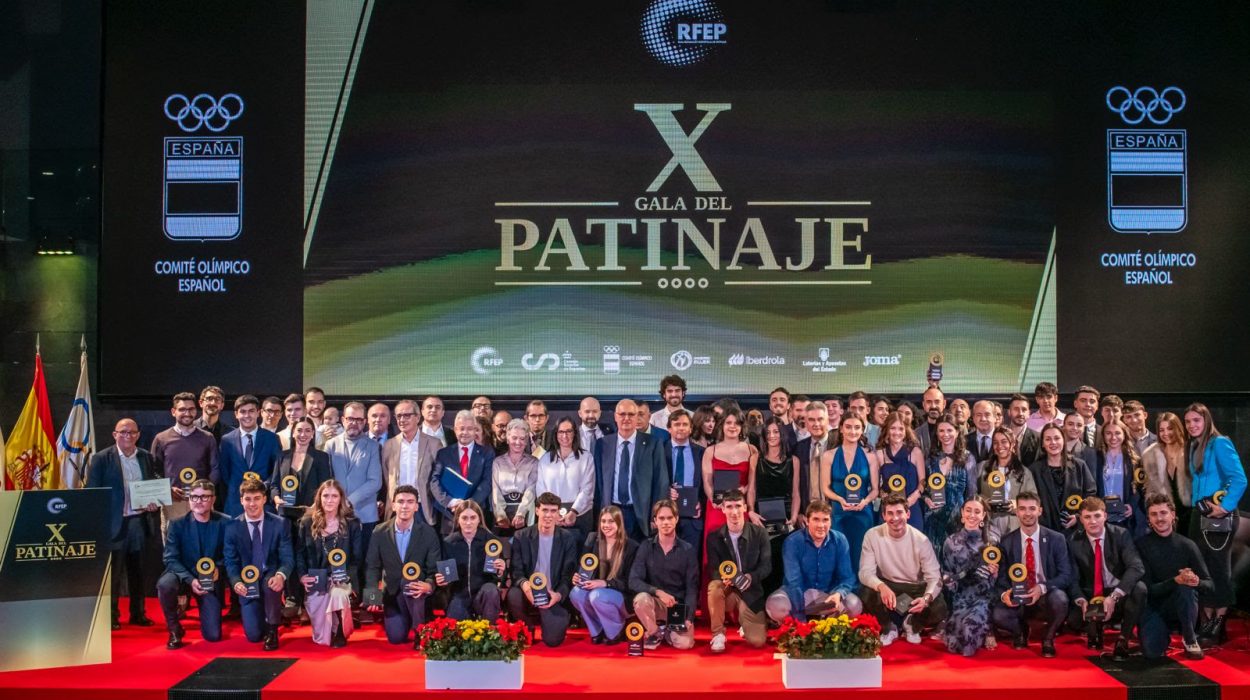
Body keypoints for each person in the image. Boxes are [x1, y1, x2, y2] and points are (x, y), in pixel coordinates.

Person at [1183, 403, 1246, 645]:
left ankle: (1218, 624)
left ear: (1206, 420)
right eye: (1188, 421)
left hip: (1219, 515)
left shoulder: (1220, 443)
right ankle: (1207, 621)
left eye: (1196, 420)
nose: (1192, 425)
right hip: (1199, 513)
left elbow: (1239, 479)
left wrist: (1225, 507)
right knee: (1203, 569)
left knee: (1219, 570)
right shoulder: (1194, 445)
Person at [87, 418, 160, 629]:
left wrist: (154, 502)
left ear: (138, 435)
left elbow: (152, 485)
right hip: (114, 524)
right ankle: (111, 617)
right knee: (114, 575)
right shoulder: (101, 458)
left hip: (139, 522)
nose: (128, 436)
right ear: (115, 434)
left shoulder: (146, 457)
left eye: (132, 432)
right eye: (123, 432)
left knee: (139, 571)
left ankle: (138, 614)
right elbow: (93, 493)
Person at [991, 491, 1072, 658]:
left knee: (1060, 599)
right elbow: (1002, 578)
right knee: (998, 614)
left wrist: (1042, 588)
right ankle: (1020, 631)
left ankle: (1048, 638)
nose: (1027, 513)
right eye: (1022, 509)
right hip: (1017, 596)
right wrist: (1004, 594)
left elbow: (1065, 575)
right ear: (1016, 512)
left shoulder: (1056, 539)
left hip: (1045, 595)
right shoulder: (1006, 541)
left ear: (1040, 511)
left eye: (1032, 508)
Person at [859, 494, 946, 645]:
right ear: (884, 516)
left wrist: (926, 599)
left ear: (908, 514)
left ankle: (912, 624)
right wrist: (881, 586)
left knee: (939, 606)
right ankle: (889, 628)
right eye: (890, 513)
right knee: (866, 592)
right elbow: (865, 572)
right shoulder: (872, 535)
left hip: (914, 589)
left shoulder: (921, 540)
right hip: (888, 587)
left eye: (899, 512)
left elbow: (934, 577)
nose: (895, 518)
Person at [1067, 496, 1146, 659]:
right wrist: (1081, 600)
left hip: (1117, 593)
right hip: (1091, 595)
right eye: (1087, 517)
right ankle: (1095, 627)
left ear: (1105, 516)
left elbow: (1136, 567)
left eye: (1097, 516)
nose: (1093, 521)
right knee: (1074, 621)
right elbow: (1072, 577)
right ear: (1081, 519)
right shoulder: (1073, 541)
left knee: (1140, 589)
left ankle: (1123, 637)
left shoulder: (1120, 534)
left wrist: (1114, 596)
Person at [365, 485, 442, 647]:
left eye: (410, 502)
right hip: (393, 596)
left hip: (418, 596)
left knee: (410, 580)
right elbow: (372, 566)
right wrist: (373, 595)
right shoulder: (379, 532)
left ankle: (420, 631)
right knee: (396, 638)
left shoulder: (428, 533)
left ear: (416, 507)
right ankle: (408, 622)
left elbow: (434, 568)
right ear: (393, 505)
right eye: (400, 502)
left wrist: (429, 585)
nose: (405, 506)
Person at [1136, 494, 1210, 660]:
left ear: (1173, 515)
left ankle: (1190, 638)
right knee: (1152, 654)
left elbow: (1209, 585)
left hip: (1183, 606)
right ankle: (1162, 634)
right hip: (1154, 607)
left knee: (1186, 588)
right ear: (1148, 519)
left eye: (1163, 513)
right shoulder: (1141, 545)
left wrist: (1195, 581)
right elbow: (1147, 590)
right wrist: (1175, 580)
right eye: (1154, 514)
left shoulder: (1188, 545)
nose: (1159, 518)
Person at [224, 478, 294, 650]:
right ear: (241, 500)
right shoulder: (232, 527)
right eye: (248, 499)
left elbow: (287, 557)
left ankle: (273, 628)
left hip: (269, 574)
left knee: (271, 585)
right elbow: (230, 561)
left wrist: (281, 575)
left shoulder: (280, 524)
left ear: (264, 499)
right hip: (247, 582)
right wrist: (236, 582)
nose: (252, 504)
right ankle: (269, 612)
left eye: (256, 498)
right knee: (254, 636)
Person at [157, 479, 228, 649]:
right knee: (165, 584)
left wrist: (219, 568)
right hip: (182, 575)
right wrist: (191, 580)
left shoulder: (225, 522)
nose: (198, 501)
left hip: (209, 579)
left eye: (204, 497)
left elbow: (231, 554)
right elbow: (170, 559)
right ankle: (174, 629)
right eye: (194, 497)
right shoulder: (177, 524)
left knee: (213, 635)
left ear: (213, 499)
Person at [765, 500, 861, 623]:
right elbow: (794, 582)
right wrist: (801, 621)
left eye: (825, 520)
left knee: (854, 605)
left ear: (831, 522)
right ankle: (795, 626)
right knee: (776, 606)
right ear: (807, 521)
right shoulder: (793, 542)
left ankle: (827, 627)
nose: (821, 525)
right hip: (798, 594)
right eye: (816, 519)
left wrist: (838, 593)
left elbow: (847, 577)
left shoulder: (840, 540)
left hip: (827, 593)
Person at [324, 401, 384, 596]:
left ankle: (368, 599)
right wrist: (337, 503)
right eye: (350, 419)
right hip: (336, 516)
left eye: (359, 420)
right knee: (341, 560)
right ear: (343, 420)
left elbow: (375, 481)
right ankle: (343, 598)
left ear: (365, 422)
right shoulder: (330, 445)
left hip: (365, 515)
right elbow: (327, 480)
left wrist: (348, 502)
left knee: (367, 560)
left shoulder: (373, 446)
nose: (354, 423)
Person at [296, 480, 362, 647]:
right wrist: (302, 576)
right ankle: (331, 626)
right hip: (317, 579)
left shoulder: (352, 523)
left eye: (334, 496)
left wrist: (348, 577)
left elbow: (357, 557)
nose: (329, 500)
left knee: (338, 594)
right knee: (322, 639)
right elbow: (300, 553)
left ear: (341, 499)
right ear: (319, 498)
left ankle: (340, 631)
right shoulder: (307, 522)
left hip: (342, 578)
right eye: (326, 496)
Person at [703, 489, 772, 652]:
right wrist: (723, 578)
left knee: (757, 641)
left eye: (738, 506)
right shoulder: (714, 537)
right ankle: (718, 634)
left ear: (745, 508)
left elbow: (766, 566)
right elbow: (713, 568)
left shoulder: (760, 533)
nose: (734, 512)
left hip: (750, 591)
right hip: (728, 590)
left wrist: (751, 577)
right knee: (714, 587)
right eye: (729, 507)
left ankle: (745, 623)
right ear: (723, 509)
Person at [507, 492, 578, 647]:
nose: (549, 515)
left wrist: (558, 595)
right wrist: (526, 587)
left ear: (558, 513)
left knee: (553, 641)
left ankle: (559, 616)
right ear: (537, 510)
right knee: (513, 595)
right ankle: (528, 627)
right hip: (528, 592)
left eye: (553, 511)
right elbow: (516, 571)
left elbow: (568, 575)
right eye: (545, 510)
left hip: (553, 593)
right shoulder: (521, 536)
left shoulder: (567, 538)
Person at [593, 399, 669, 539]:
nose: (626, 418)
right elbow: (598, 483)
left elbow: (661, 481)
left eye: (631, 414)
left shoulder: (653, 443)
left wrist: (656, 514)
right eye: (622, 414)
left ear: (637, 417)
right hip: (611, 512)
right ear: (615, 416)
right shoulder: (603, 444)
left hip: (640, 515)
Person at [629, 499, 698, 650]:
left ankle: (666, 631)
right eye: (661, 518)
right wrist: (658, 592)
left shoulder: (688, 550)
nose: (666, 522)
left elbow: (692, 588)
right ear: (655, 521)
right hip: (656, 603)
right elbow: (633, 580)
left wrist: (689, 618)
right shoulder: (646, 547)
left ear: (676, 519)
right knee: (641, 599)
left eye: (669, 518)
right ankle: (655, 632)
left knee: (684, 644)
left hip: (678, 608)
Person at [151, 392, 219, 541]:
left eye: (191, 409)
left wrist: (205, 493)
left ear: (196, 411)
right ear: (173, 411)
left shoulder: (207, 438)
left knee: (205, 544)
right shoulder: (161, 438)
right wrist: (167, 490)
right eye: (182, 409)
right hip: (173, 503)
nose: (187, 413)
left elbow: (215, 468)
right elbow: (154, 471)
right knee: (175, 545)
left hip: (202, 502)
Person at [702, 409, 761, 569]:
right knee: (716, 552)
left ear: (742, 426)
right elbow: (707, 482)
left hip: (740, 507)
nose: (732, 426)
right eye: (728, 422)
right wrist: (715, 501)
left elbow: (753, 482)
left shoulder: (752, 450)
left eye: (737, 423)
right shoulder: (710, 451)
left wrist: (744, 491)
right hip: (717, 508)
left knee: (742, 552)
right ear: (722, 425)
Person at [570, 506, 638, 644]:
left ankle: (615, 631)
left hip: (622, 595)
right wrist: (579, 577)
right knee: (576, 593)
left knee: (597, 595)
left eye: (611, 521)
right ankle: (597, 630)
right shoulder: (592, 540)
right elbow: (584, 567)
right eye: (603, 521)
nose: (606, 525)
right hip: (596, 591)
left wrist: (605, 583)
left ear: (619, 523)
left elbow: (632, 583)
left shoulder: (632, 547)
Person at [941, 497, 997, 656]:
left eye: (977, 511)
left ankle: (989, 629)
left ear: (983, 515)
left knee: (967, 632)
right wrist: (950, 581)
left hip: (984, 599)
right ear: (962, 513)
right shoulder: (950, 542)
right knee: (953, 645)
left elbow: (997, 582)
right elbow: (946, 574)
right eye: (968, 510)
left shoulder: (992, 543)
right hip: (960, 599)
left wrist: (995, 573)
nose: (972, 515)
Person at [823, 415, 879, 572]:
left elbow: (875, 490)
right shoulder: (829, 455)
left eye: (857, 427)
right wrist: (840, 499)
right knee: (840, 554)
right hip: (839, 512)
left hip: (863, 513)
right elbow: (825, 488)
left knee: (862, 555)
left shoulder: (870, 456)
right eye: (848, 427)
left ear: (862, 430)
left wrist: (865, 502)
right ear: (841, 429)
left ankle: (862, 585)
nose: (852, 431)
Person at [436, 500, 503, 620]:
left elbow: (499, 576)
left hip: (483, 596)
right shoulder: (448, 543)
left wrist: (501, 571)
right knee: (454, 629)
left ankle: (490, 628)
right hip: (459, 596)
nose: (468, 522)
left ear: (479, 519)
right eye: (464, 518)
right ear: (458, 519)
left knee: (491, 590)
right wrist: (442, 581)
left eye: (473, 518)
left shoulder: (491, 541)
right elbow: (446, 575)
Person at [431, 410, 495, 532]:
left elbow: (487, 482)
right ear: (455, 430)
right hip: (449, 515)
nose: (465, 432)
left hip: (476, 514)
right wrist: (450, 502)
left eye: (470, 429)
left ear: (475, 430)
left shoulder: (487, 453)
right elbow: (434, 480)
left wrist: (469, 505)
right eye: (461, 428)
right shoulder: (443, 453)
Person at [219, 395, 282, 518]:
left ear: (258, 413)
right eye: (243, 412)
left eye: (251, 411)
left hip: (263, 503)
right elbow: (225, 472)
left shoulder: (272, 439)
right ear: (236, 414)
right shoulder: (227, 440)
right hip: (235, 504)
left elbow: (277, 470)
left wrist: (263, 485)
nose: (247, 415)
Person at [381, 399, 441, 528]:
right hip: (396, 509)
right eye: (399, 416)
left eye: (407, 415)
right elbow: (387, 477)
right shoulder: (389, 445)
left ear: (418, 417)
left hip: (423, 508)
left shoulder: (433, 444)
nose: (402, 420)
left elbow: (438, 478)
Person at [970, 427, 1037, 540]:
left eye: (1004, 441)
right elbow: (972, 493)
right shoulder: (982, 468)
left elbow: (1033, 499)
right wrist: (984, 501)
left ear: (1012, 444)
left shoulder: (1024, 472)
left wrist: (1016, 504)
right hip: (989, 522)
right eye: (995, 442)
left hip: (1014, 523)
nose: (999, 446)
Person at [1028, 424, 1096, 532]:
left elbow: (1091, 495)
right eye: (1048, 439)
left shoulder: (1079, 466)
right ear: (1042, 444)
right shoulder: (1034, 470)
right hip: (1046, 530)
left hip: (1076, 532)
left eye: (1057, 438)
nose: (1053, 442)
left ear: (1063, 440)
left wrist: (1078, 517)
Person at [922, 414, 972, 560]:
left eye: (949, 430)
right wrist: (926, 500)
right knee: (932, 560)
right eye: (941, 431)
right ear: (937, 434)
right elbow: (923, 489)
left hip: (957, 520)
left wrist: (967, 518)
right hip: (933, 518)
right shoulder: (930, 459)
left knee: (955, 560)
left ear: (957, 432)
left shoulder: (968, 458)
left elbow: (971, 493)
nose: (945, 434)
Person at [537, 416, 596, 536]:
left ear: (575, 433)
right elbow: (541, 490)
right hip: (552, 516)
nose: (565, 436)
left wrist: (574, 512)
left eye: (569, 431)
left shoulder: (586, 458)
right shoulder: (545, 459)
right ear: (556, 434)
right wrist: (553, 513)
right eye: (561, 432)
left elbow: (587, 489)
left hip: (580, 516)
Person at [269, 417, 333, 518]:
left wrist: (314, 507)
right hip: (285, 514)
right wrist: (277, 499)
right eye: (299, 430)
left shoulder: (321, 457)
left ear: (312, 434)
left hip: (310, 515)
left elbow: (325, 487)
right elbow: (274, 485)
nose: (303, 434)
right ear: (293, 433)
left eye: (307, 431)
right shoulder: (281, 456)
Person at [665, 411, 706, 556]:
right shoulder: (659, 450)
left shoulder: (702, 453)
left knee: (691, 560)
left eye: (685, 424)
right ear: (669, 428)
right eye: (677, 424)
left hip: (693, 517)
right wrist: (665, 491)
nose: (681, 428)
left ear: (691, 428)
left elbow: (707, 484)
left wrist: (701, 502)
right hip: (666, 516)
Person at [875, 411, 925, 530]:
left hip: (912, 509)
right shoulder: (880, 454)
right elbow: (875, 485)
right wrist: (884, 496)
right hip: (889, 511)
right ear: (887, 430)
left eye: (901, 429)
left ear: (906, 430)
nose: (897, 432)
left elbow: (923, 482)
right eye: (893, 428)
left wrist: (912, 498)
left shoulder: (915, 452)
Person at [1141, 412, 1192, 527]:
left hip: (1191, 512)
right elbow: (1150, 489)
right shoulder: (1150, 455)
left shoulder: (1191, 451)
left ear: (1178, 428)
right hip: (1165, 517)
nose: (1166, 433)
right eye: (1161, 430)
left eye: (1170, 428)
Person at [492, 418, 540, 534]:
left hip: (526, 514)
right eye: (514, 438)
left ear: (526, 440)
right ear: (508, 438)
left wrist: (521, 514)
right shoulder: (497, 462)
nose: (518, 442)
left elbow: (531, 489)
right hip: (502, 517)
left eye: (522, 439)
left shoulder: (534, 462)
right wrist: (500, 515)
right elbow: (495, 490)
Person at [1094, 420, 1141, 531]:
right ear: (1103, 435)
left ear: (1124, 434)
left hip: (1125, 516)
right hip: (1101, 516)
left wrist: (1131, 505)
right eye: (1108, 433)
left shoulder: (1134, 459)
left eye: (1117, 433)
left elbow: (1139, 487)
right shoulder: (1096, 457)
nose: (1113, 437)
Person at [794, 401, 834, 522]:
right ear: (806, 422)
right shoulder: (799, 448)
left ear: (827, 421)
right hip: (808, 514)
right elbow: (797, 485)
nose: (816, 424)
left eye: (820, 419)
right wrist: (800, 512)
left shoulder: (838, 445)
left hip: (835, 512)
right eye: (811, 420)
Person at [1005, 394, 1044, 465]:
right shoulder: (1001, 435)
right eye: (1016, 409)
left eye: (1024, 410)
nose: (1020, 413)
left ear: (1029, 413)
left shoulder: (1038, 438)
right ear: (1009, 412)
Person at [916, 386, 947, 454]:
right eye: (929, 402)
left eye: (937, 402)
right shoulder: (916, 434)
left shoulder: (954, 431)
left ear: (944, 404)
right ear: (923, 405)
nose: (933, 406)